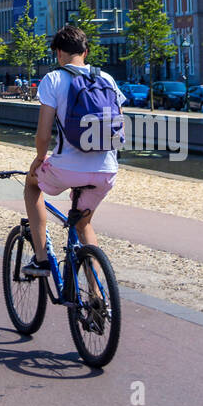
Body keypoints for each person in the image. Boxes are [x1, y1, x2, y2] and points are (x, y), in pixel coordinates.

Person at [23, 24, 125, 278]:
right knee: (84, 223)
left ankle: (42, 258)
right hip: (106, 170)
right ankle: (97, 298)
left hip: (67, 168)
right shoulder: (107, 79)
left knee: (31, 184)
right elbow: (120, 123)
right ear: (85, 52)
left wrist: (39, 159)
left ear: (58, 53)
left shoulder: (53, 79)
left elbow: (44, 134)